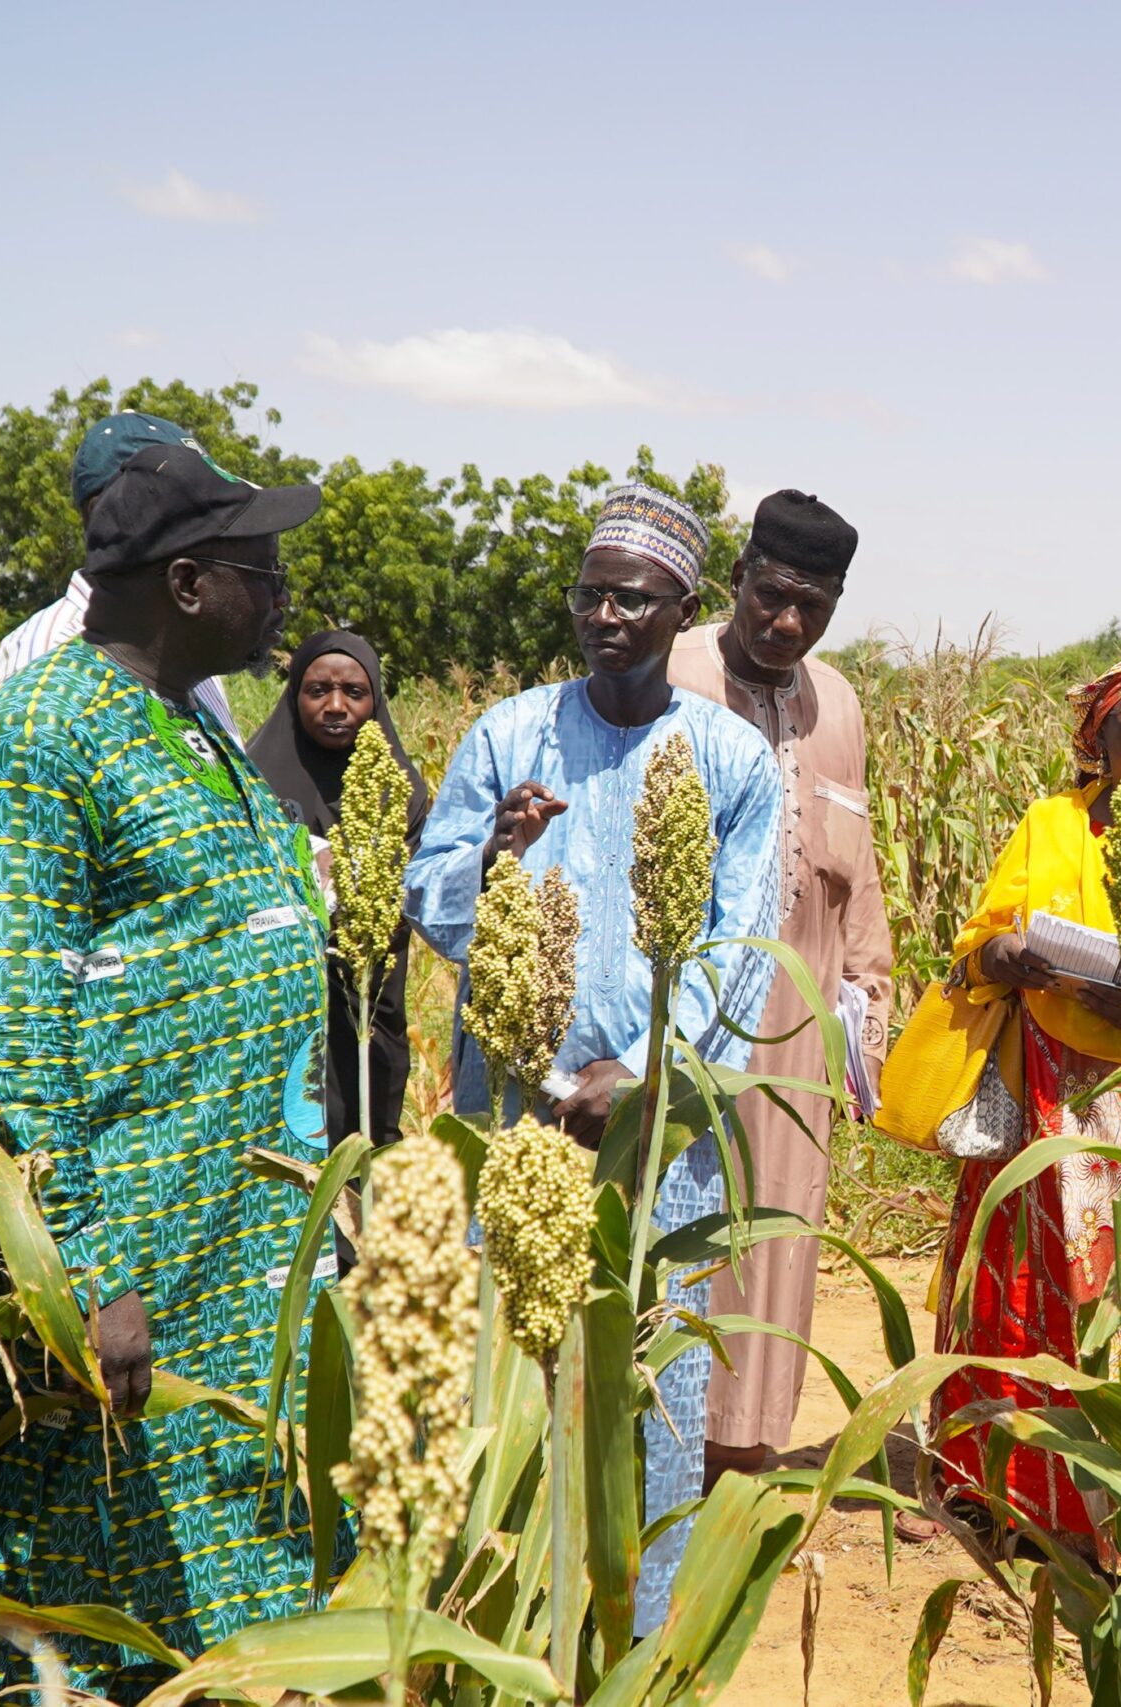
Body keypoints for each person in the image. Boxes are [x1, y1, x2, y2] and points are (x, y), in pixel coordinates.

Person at [0, 442, 329, 1696]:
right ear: (190, 584)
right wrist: (86, 1277)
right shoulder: (45, 742)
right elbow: (8, 1031)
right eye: (264, 573)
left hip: (232, 1250)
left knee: (237, 1595)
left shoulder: (184, 726)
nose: (284, 599)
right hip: (134, 1272)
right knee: (92, 1601)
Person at [404, 483, 782, 1634]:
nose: (605, 616)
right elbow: (430, 899)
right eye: (590, 595)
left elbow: (738, 943)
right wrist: (495, 855)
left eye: (633, 599)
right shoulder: (508, 733)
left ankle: (633, 1636)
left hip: (658, 1130)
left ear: (684, 613)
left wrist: (644, 1067)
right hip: (514, 1103)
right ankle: (490, 1625)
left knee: (649, 1385)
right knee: (505, 1367)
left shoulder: (730, 757)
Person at [920, 655, 1121, 1558]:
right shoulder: (1052, 821)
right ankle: (994, 1481)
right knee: (1013, 1276)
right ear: (1100, 735)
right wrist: (1002, 954)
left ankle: (1117, 1503)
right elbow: (974, 942)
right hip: (1039, 1077)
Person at [666, 489, 897, 1487]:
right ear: (738, 580)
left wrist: (866, 999)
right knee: (686, 1226)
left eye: (813, 606)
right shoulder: (666, 675)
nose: (786, 623)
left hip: (801, 1030)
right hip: (686, 1021)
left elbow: (860, 869)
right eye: (771, 596)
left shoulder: (836, 700)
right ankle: (662, 1440)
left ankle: (744, 1449)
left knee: (781, 1231)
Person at [247, 630, 432, 1145]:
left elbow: (411, 888)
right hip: (278, 999)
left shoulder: (402, 788)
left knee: (364, 1137)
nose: (335, 706)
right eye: (317, 690)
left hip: (369, 997)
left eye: (354, 692)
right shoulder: (252, 778)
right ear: (293, 696)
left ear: (375, 700)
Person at [0, 411, 243, 733]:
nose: (209, 525)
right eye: (189, 505)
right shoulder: (46, 662)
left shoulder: (187, 653)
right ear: (116, 512)